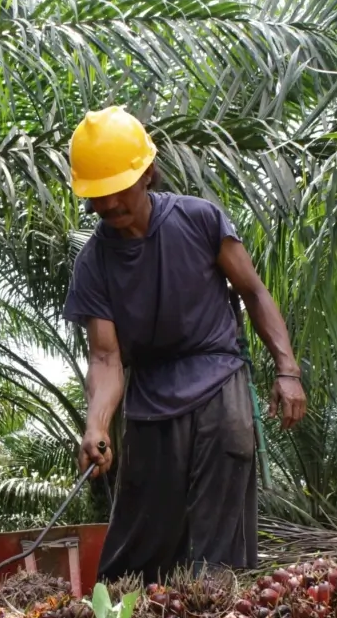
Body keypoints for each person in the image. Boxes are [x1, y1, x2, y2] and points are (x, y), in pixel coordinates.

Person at [62, 106, 308, 585]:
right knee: (142, 542)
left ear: (147, 174)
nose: (109, 207)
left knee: (220, 541)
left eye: (117, 193)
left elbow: (255, 293)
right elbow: (106, 357)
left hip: (219, 380)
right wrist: (96, 427)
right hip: (151, 396)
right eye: (97, 199)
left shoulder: (199, 220)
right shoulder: (93, 263)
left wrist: (287, 369)